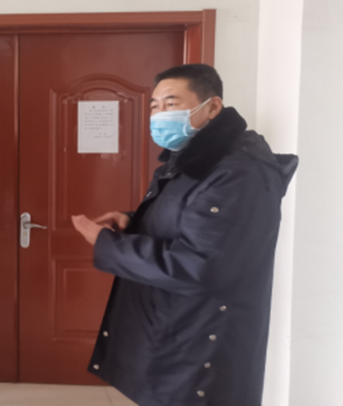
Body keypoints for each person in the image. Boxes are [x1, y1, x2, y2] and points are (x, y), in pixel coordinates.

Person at [71, 64, 298, 406]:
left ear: (213, 107)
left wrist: (107, 245)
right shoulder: (195, 161)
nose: (160, 114)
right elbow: (190, 223)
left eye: (171, 103)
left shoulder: (238, 172)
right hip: (175, 325)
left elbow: (198, 265)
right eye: (155, 106)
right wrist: (133, 222)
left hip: (203, 339)